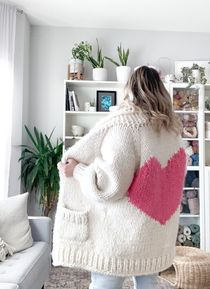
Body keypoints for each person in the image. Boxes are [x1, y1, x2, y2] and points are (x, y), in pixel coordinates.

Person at [53, 66, 186, 289]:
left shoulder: (125, 126)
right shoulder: (172, 130)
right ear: (161, 91)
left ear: (129, 89)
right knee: (148, 283)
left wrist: (77, 170)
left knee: (106, 283)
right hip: (154, 236)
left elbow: (109, 186)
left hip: (120, 238)